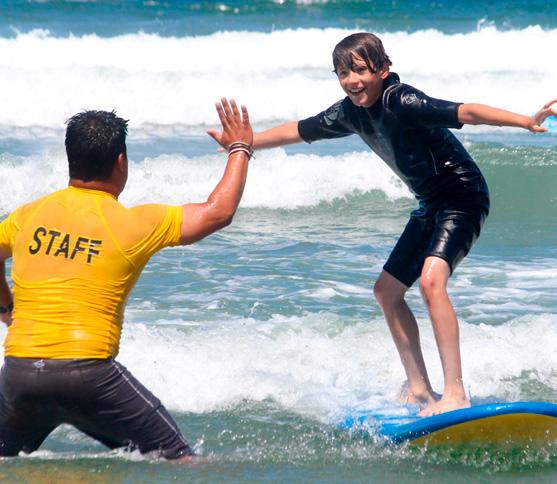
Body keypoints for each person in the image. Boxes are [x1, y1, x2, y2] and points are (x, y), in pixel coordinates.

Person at [209, 32, 557, 416]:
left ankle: (455, 393)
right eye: (343, 73)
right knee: (386, 292)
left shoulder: (402, 101)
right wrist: (244, 143)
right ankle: (419, 388)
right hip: (430, 204)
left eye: (360, 70)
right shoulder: (350, 112)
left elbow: (466, 112)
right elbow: (298, 130)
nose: (352, 80)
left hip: (463, 197)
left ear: (383, 69)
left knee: (431, 282)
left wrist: (526, 121)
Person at [0, 98, 253, 458]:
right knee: (180, 460)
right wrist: (240, 148)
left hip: (19, 375)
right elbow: (218, 212)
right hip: (89, 377)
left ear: (71, 159)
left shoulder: (27, 216)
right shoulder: (136, 222)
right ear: (121, 162)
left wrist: (6, 309)